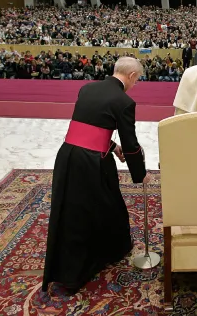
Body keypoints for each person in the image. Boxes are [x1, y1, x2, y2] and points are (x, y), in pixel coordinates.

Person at [42, 57, 148, 293]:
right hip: (92, 164)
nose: (135, 84)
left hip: (68, 156)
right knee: (102, 208)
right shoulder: (124, 101)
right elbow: (130, 145)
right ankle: (101, 258)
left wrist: (111, 146)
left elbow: (86, 127)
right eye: (137, 80)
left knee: (71, 209)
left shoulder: (87, 88)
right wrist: (140, 174)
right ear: (131, 76)